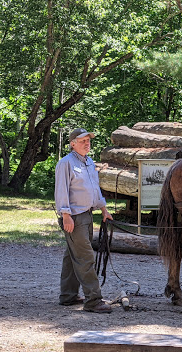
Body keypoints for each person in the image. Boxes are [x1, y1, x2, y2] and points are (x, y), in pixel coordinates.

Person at [55, 128, 113, 313]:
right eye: (82, 141)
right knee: (85, 257)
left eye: (88, 140)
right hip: (74, 217)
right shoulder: (66, 163)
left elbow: (94, 189)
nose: (87, 143)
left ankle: (68, 296)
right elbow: (61, 191)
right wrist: (66, 215)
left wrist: (103, 209)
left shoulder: (89, 162)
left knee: (72, 256)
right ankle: (93, 300)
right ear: (73, 143)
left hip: (87, 215)